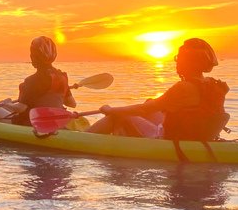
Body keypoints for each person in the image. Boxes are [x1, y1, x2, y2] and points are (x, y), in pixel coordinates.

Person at [88, 37, 230, 140]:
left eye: (179, 58)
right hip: (199, 135)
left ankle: (83, 138)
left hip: (170, 139)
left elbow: (144, 110)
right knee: (149, 101)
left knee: (116, 117)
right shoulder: (215, 85)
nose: (176, 62)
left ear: (186, 62)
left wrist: (111, 110)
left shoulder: (183, 87)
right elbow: (153, 106)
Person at [0, 36, 76, 125]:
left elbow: (21, 108)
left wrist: (6, 104)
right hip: (54, 123)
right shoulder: (62, 77)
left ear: (34, 57)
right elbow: (72, 104)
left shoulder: (32, 81)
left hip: (30, 124)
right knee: (3, 107)